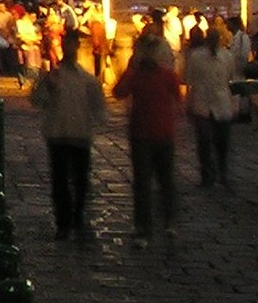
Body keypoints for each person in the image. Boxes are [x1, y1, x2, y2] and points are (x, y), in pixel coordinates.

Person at [29, 29, 106, 238]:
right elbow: (37, 100)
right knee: (60, 180)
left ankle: (77, 216)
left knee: (80, 181)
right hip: (58, 133)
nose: (70, 48)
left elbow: (99, 107)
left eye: (73, 44)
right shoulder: (53, 75)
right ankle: (64, 221)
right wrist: (47, 86)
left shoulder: (87, 79)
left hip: (79, 133)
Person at [114, 42, 184, 250]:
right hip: (150, 134)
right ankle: (154, 224)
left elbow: (119, 92)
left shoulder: (154, 75)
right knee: (152, 182)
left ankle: (158, 223)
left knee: (157, 182)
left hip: (152, 134)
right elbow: (120, 92)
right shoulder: (142, 75)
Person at [180, 27, 237, 189]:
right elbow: (189, 80)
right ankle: (208, 175)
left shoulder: (226, 57)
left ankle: (221, 173)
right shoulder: (197, 57)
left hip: (220, 103)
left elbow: (229, 79)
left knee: (222, 143)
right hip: (203, 104)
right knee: (204, 142)